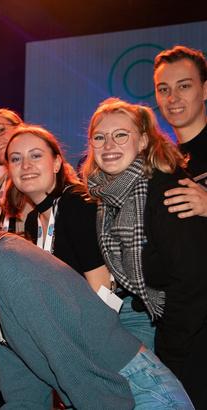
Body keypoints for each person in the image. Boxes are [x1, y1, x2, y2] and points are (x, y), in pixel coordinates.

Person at [0, 168, 193, 409]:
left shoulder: (10, 262)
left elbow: (68, 358)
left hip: (131, 387)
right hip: (100, 390)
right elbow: (20, 377)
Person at [84, 97, 207, 407]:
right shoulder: (109, 197)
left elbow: (192, 281)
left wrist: (170, 353)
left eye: (120, 135)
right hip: (173, 330)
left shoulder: (167, 189)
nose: (109, 145)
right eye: (100, 137)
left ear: (142, 141)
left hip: (192, 338)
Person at [3, 125, 111, 294]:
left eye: (35, 156)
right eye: (16, 159)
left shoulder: (78, 204)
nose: (25, 165)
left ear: (56, 163)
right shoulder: (33, 220)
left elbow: (102, 289)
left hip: (108, 308)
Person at [153, 45, 207, 218]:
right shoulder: (165, 164)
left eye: (183, 86)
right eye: (163, 89)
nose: (172, 98)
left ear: (205, 90)